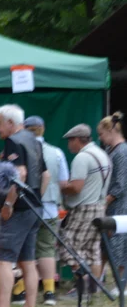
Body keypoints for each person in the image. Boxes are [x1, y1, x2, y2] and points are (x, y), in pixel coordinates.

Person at [0, 104, 46, 307]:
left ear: (10, 123)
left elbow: (19, 174)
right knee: (28, 261)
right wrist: (35, 198)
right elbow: (46, 175)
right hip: (34, 207)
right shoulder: (34, 140)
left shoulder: (13, 141)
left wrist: (9, 204)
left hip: (19, 210)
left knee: (4, 259)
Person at [60, 124, 110, 296]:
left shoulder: (82, 158)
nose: (68, 146)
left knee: (67, 246)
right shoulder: (102, 154)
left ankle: (82, 285)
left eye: (69, 141)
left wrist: (62, 187)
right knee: (93, 249)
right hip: (99, 206)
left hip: (83, 208)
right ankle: (92, 288)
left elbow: (76, 187)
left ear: (76, 140)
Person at [23, 116, 69, 306]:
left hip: (26, 208)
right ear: (43, 129)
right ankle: (49, 292)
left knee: (26, 250)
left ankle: (21, 290)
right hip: (50, 208)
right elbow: (63, 181)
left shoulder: (21, 150)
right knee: (47, 249)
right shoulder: (57, 152)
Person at [98, 113, 127, 294]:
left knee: (119, 243)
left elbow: (120, 184)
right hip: (112, 205)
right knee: (108, 244)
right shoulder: (111, 151)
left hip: (121, 205)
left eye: (101, 134)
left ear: (110, 131)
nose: (100, 138)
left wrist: (105, 201)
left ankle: (121, 284)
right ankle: (102, 280)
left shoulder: (122, 152)